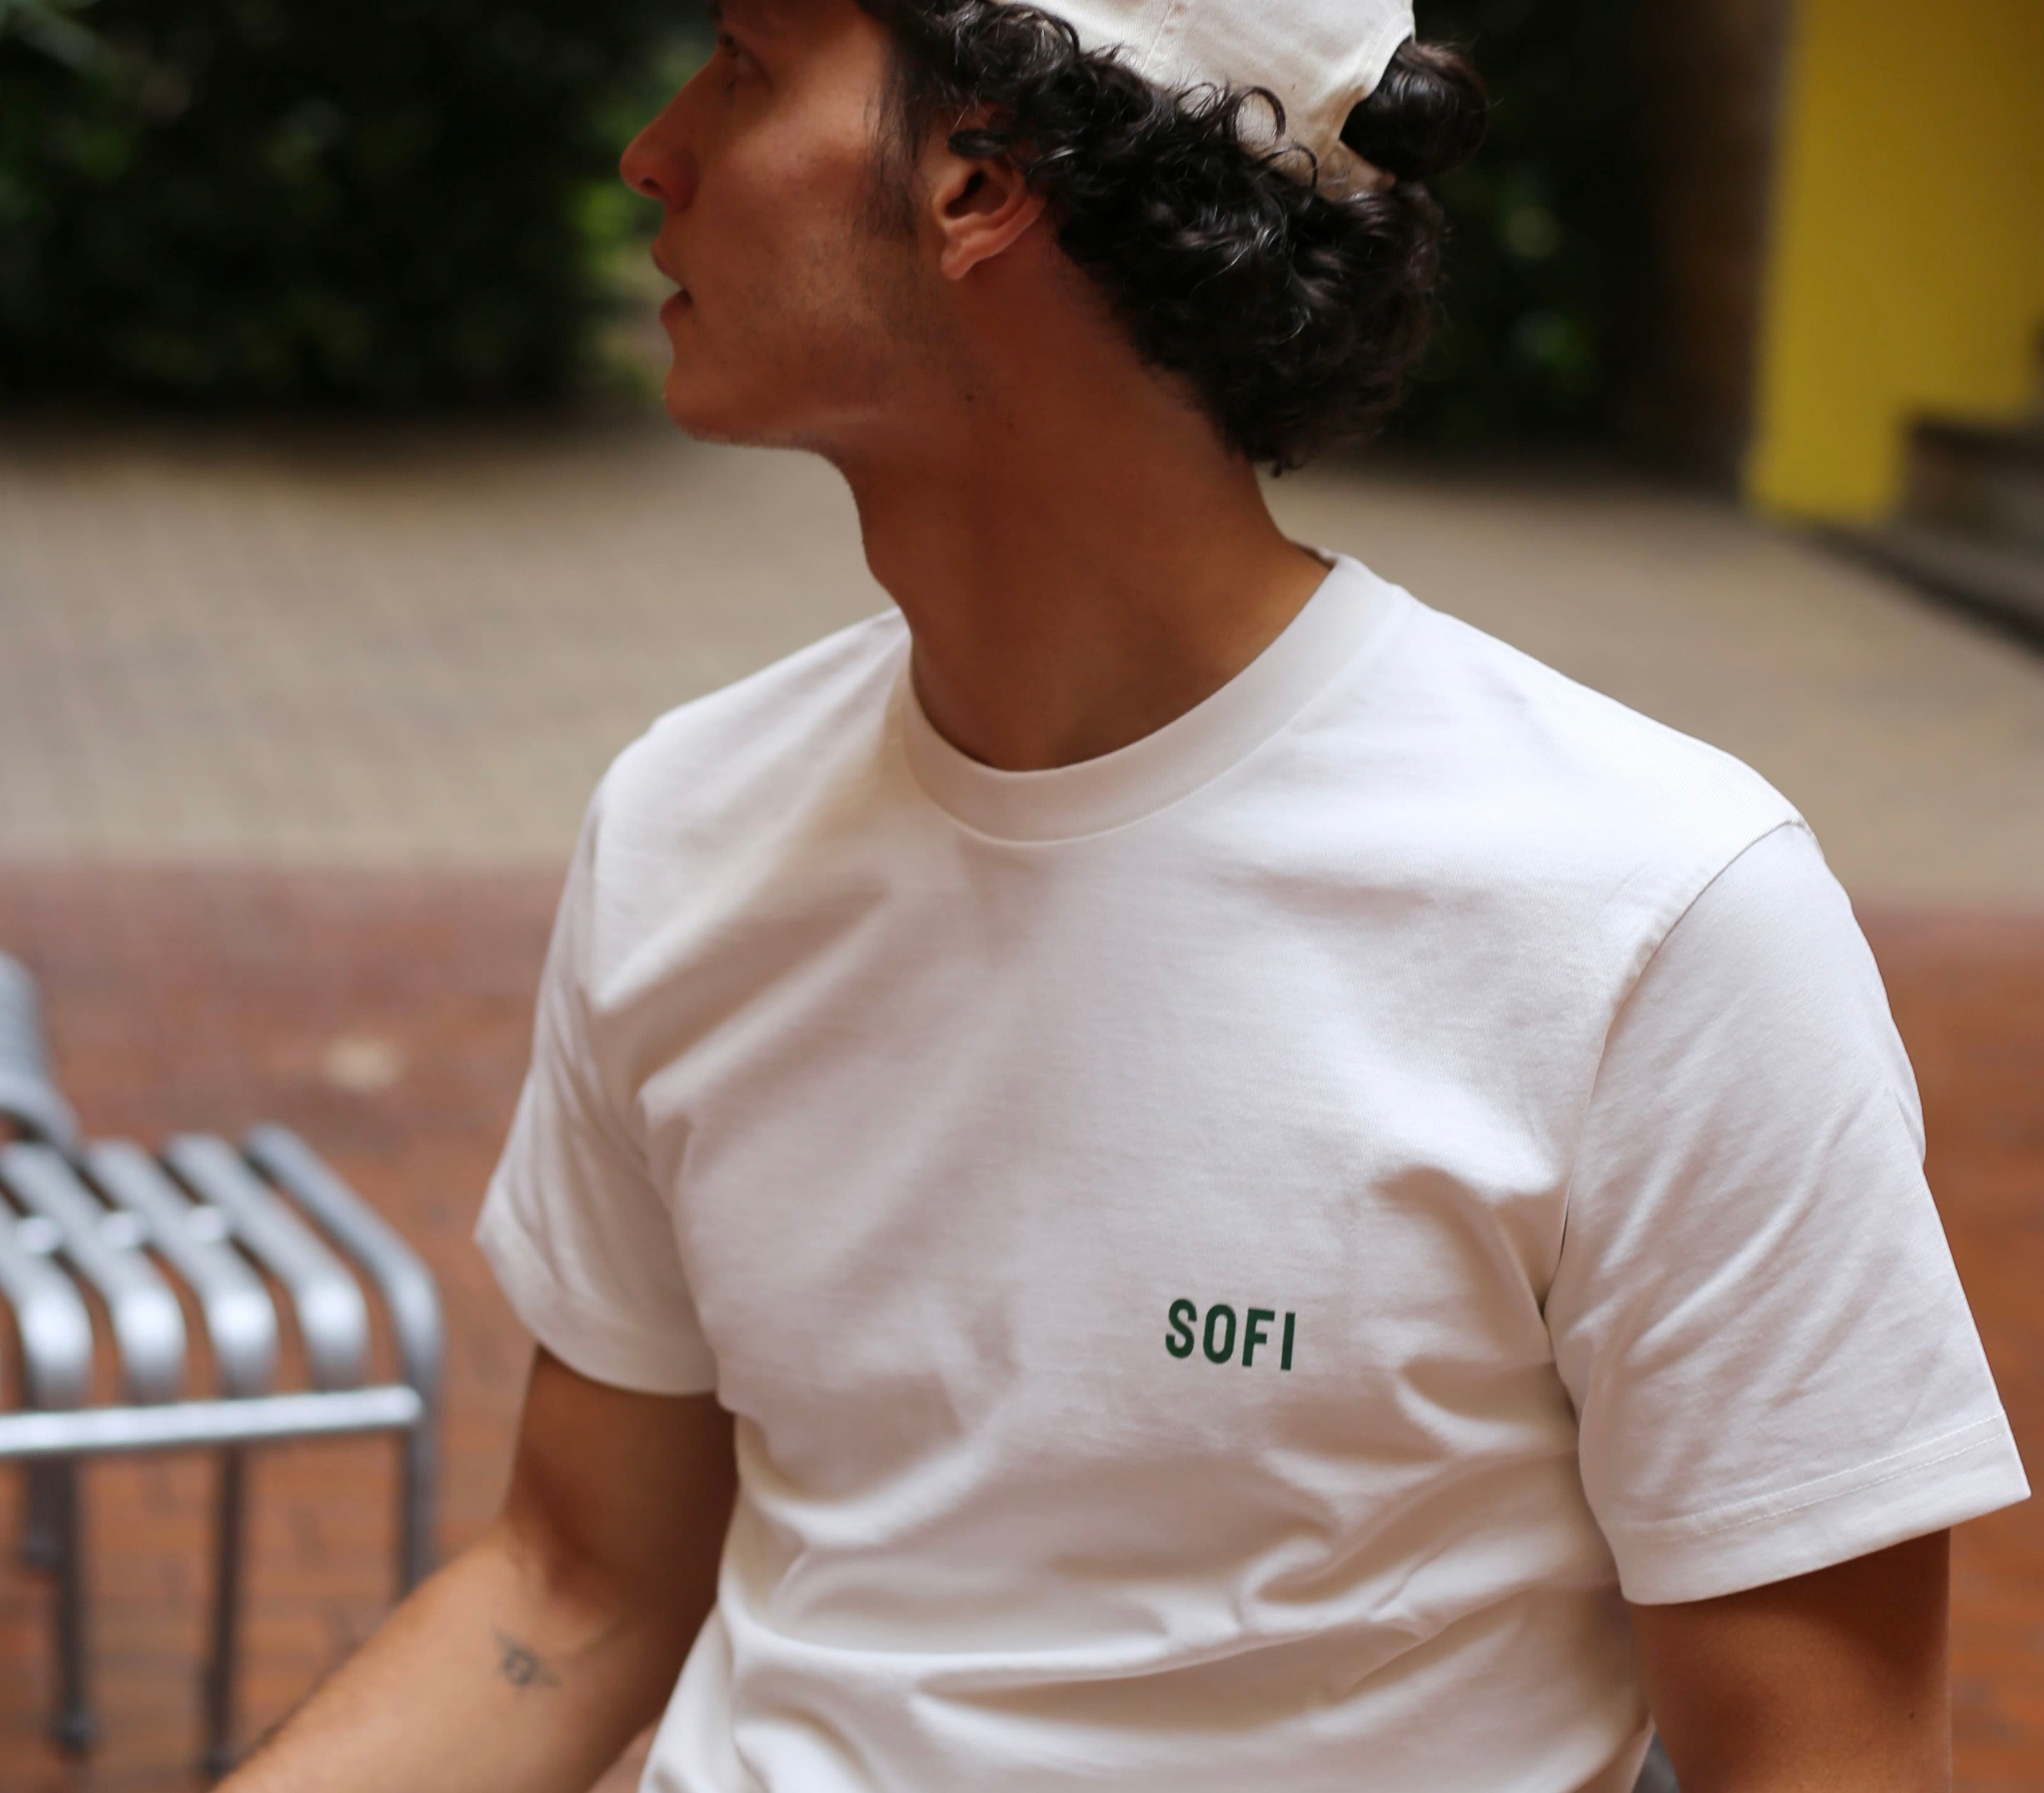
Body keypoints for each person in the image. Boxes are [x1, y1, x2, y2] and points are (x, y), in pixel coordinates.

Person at [227, 1, 2029, 1789]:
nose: (658, 147)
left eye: (753, 62)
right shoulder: (690, 824)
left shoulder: (1647, 915)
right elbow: (576, 1583)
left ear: (979, 177)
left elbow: (1825, 1764)